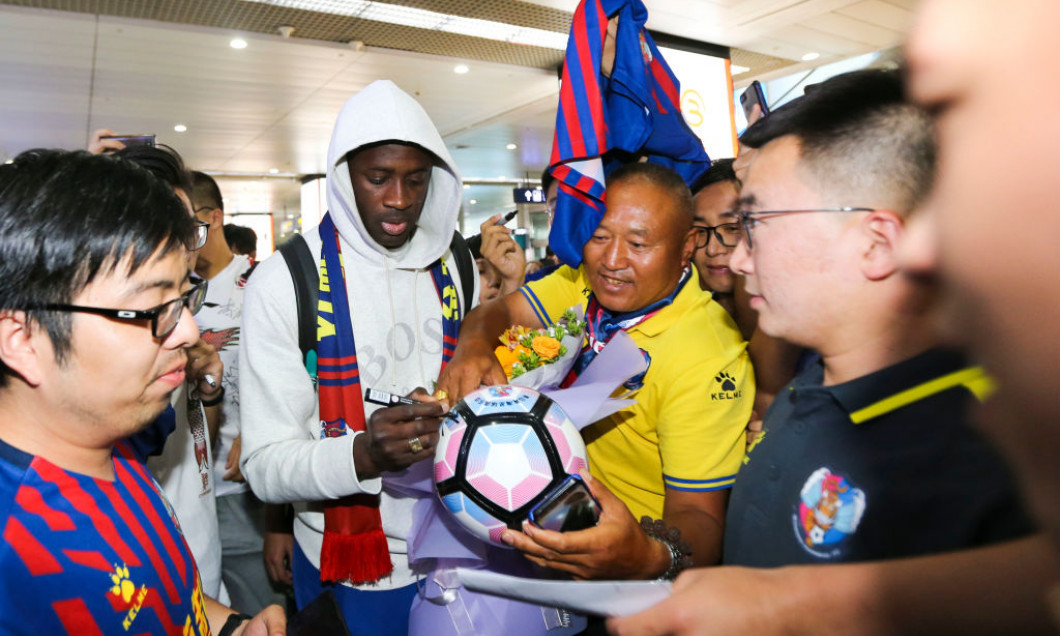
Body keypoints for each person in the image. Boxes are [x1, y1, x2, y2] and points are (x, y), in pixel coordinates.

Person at [607, 68, 1057, 635]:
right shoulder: (806, 389)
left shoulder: (990, 451)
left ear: (876, 243)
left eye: (756, 222)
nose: (738, 259)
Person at [0, 148, 284, 635]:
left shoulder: (118, 447)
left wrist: (232, 626)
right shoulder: (21, 551)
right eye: (152, 308)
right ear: (23, 340)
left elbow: (170, 600)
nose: (189, 332)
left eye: (182, 298)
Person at [238, 79, 478, 636]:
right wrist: (364, 456)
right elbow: (265, 466)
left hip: (457, 548)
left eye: (416, 180)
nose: (399, 199)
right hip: (348, 564)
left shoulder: (456, 264)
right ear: (343, 178)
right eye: (378, 179)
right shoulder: (285, 281)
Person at [438, 162, 753, 580]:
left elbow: (701, 518)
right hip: (546, 536)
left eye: (639, 244)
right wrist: (474, 347)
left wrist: (646, 556)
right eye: (599, 236)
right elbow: (499, 311)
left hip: (636, 580)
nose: (612, 260)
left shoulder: (706, 355)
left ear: (687, 245)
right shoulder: (582, 281)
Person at [113, 144, 230, 605]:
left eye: (190, 228)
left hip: (201, 575)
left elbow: (193, 450)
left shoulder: (176, 322)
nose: (187, 243)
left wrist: (208, 393)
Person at [189, 171, 284, 615]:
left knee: (261, 613)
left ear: (215, 218)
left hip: (247, 494)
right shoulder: (174, 290)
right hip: (181, 488)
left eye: (187, 222)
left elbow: (306, 377)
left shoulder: (265, 284)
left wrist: (261, 428)